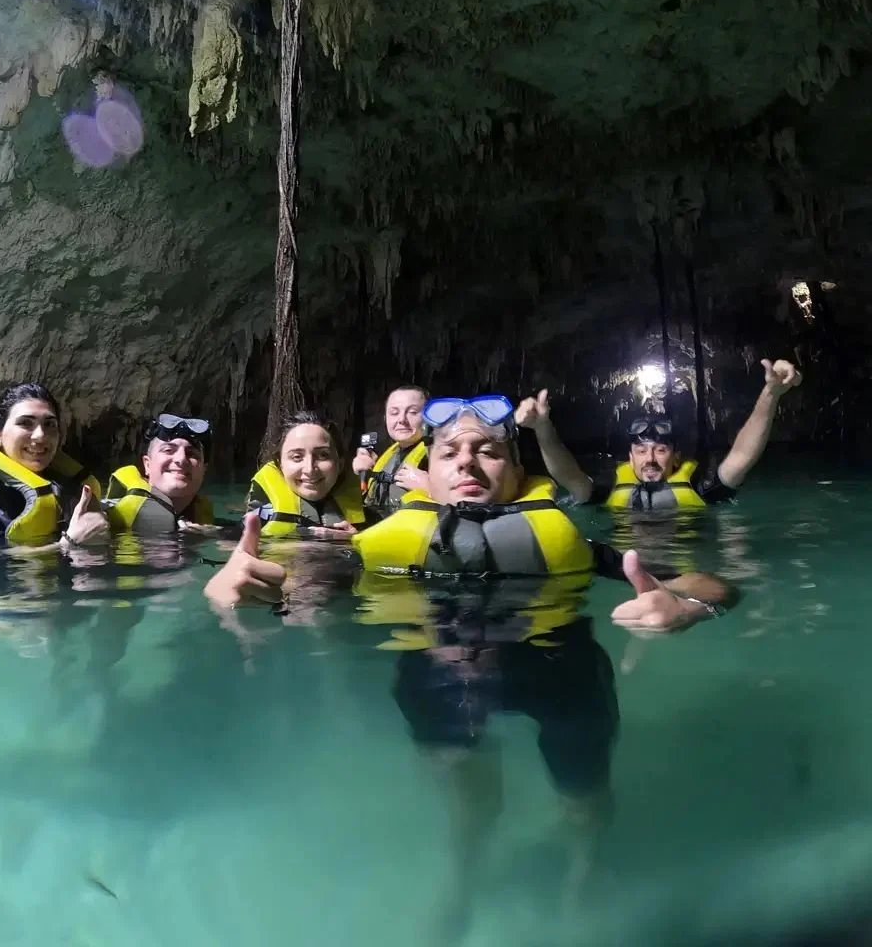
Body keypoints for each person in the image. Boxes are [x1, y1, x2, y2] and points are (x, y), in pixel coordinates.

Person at [206, 395, 735, 917]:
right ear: (427, 475)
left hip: (559, 671)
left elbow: (710, 584)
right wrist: (243, 588)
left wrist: (686, 607)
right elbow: (300, 589)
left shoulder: (560, 539)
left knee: (583, 795)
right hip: (438, 673)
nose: (466, 461)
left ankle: (586, 862)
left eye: (488, 450)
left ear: (516, 470)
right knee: (468, 799)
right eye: (450, 452)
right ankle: (466, 871)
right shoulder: (386, 545)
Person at [517, 359, 803, 511]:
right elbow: (568, 476)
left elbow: (742, 455)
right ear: (629, 457)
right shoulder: (607, 490)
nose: (650, 459)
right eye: (641, 451)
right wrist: (543, 429)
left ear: (677, 456)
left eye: (660, 450)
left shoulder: (701, 487)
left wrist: (771, 394)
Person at [0, 382, 109, 550]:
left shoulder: (74, 492)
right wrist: (70, 542)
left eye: (49, 424)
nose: (40, 436)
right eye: (25, 423)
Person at [248, 409, 371, 537]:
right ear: (280, 465)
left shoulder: (370, 522)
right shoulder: (257, 521)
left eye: (323, 455)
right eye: (297, 457)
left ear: (340, 465)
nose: (310, 469)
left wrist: (356, 541)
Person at [104, 414, 215, 535]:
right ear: (147, 465)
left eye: (191, 454)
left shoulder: (206, 524)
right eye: (168, 450)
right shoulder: (111, 515)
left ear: (204, 469)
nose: (181, 459)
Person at [351, 385, 430, 517]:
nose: (401, 420)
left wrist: (430, 489)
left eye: (413, 412)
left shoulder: (440, 456)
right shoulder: (385, 456)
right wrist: (355, 476)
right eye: (394, 413)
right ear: (385, 418)